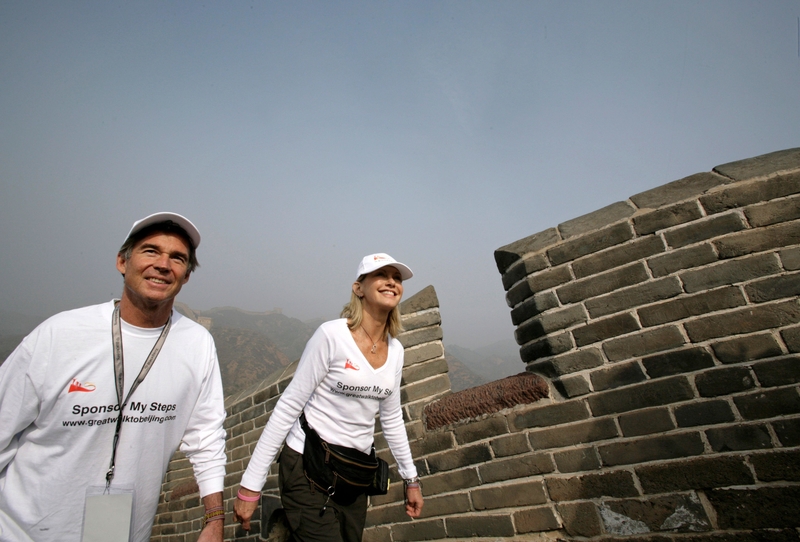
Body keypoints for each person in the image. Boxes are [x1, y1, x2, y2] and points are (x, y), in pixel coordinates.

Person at [0, 212, 227, 542]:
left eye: (177, 258)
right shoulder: (58, 336)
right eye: (150, 251)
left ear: (186, 276)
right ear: (122, 262)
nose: (163, 264)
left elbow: (206, 437)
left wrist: (215, 519)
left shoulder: (197, 344)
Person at [234, 253, 424, 541]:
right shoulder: (332, 336)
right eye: (381, 275)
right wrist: (251, 485)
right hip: (307, 466)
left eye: (396, 278)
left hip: (353, 475)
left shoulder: (395, 351)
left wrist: (411, 479)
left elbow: (392, 418)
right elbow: (288, 406)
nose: (391, 282)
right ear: (358, 288)